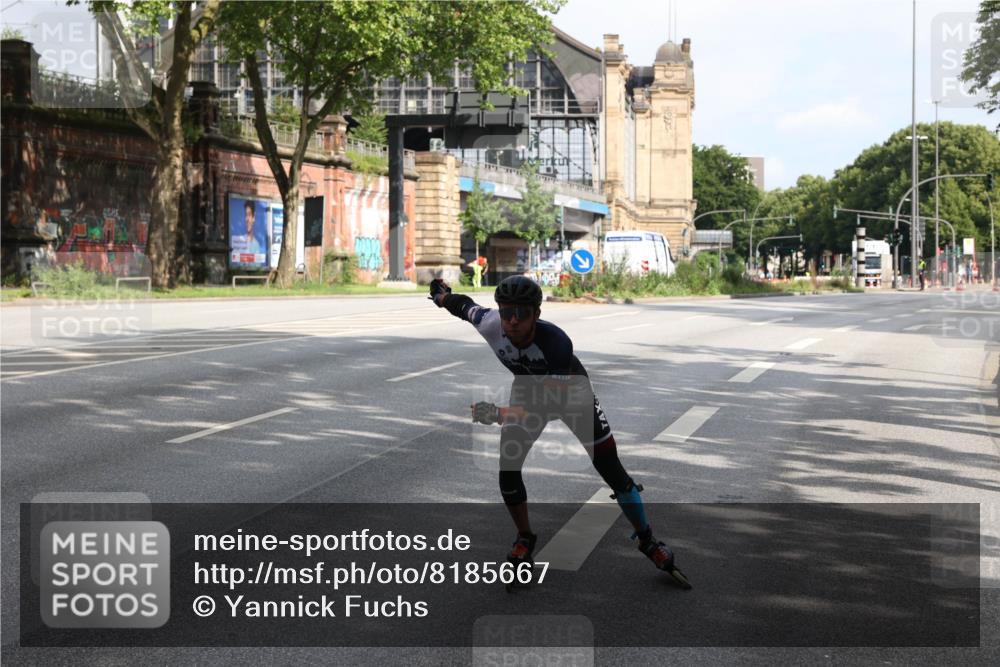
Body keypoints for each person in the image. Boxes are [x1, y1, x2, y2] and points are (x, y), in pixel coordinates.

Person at [428, 275, 691, 588]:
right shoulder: (490, 323)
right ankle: (524, 537)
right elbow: (464, 307)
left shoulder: (556, 343)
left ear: (536, 314)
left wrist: (498, 414)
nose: (512, 320)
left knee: (613, 471)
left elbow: (547, 407)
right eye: (506, 311)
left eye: (521, 313)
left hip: (572, 398)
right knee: (507, 469)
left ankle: (648, 540)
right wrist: (442, 295)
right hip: (527, 392)